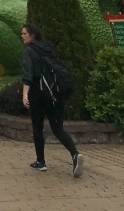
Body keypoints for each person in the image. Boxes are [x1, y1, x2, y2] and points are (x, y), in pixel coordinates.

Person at [21, 23, 83, 177]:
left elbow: (28, 75)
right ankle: (75, 154)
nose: (22, 36)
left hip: (38, 94)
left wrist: (25, 94)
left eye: (24, 33)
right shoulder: (47, 48)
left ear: (32, 35)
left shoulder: (28, 51)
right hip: (55, 93)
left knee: (37, 127)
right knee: (57, 128)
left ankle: (40, 162)